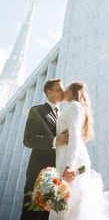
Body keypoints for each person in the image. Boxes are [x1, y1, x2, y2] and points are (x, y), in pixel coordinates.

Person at [49, 81, 109, 220]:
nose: (63, 92)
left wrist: (69, 166)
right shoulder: (73, 108)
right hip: (65, 159)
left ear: (71, 90)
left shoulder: (75, 106)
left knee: (66, 208)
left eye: (65, 89)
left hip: (73, 162)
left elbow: (75, 135)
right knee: (63, 207)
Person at [20, 79, 69, 220]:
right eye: (59, 89)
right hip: (38, 172)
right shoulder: (37, 110)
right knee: (32, 215)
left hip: (58, 175)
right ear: (49, 92)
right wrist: (55, 140)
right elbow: (28, 139)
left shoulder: (63, 116)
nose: (63, 92)